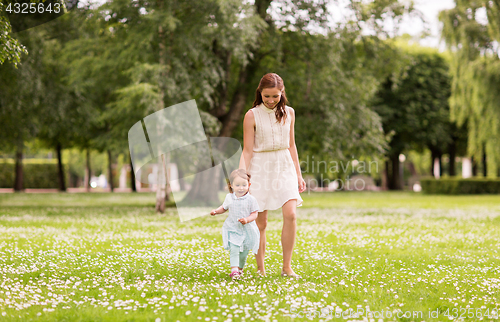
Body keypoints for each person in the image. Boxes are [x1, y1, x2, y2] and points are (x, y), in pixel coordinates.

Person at [239, 73, 306, 278]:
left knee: (291, 214)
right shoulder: (252, 115)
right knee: (261, 222)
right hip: (260, 167)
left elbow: (292, 145)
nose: (270, 100)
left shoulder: (289, 113)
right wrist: (242, 178)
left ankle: (287, 267)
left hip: (284, 165)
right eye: (266, 96)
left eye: (275, 96)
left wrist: (298, 174)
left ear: (282, 93)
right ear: (260, 93)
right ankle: (261, 269)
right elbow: (247, 150)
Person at [210, 169, 260, 280]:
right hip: (233, 228)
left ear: (249, 185)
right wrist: (216, 211)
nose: (241, 188)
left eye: (244, 185)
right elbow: (223, 208)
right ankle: (234, 271)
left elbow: (255, 214)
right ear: (231, 185)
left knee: (243, 254)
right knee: (234, 249)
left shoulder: (251, 200)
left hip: (247, 230)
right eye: (237, 185)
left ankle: (240, 268)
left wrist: (247, 219)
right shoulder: (229, 197)